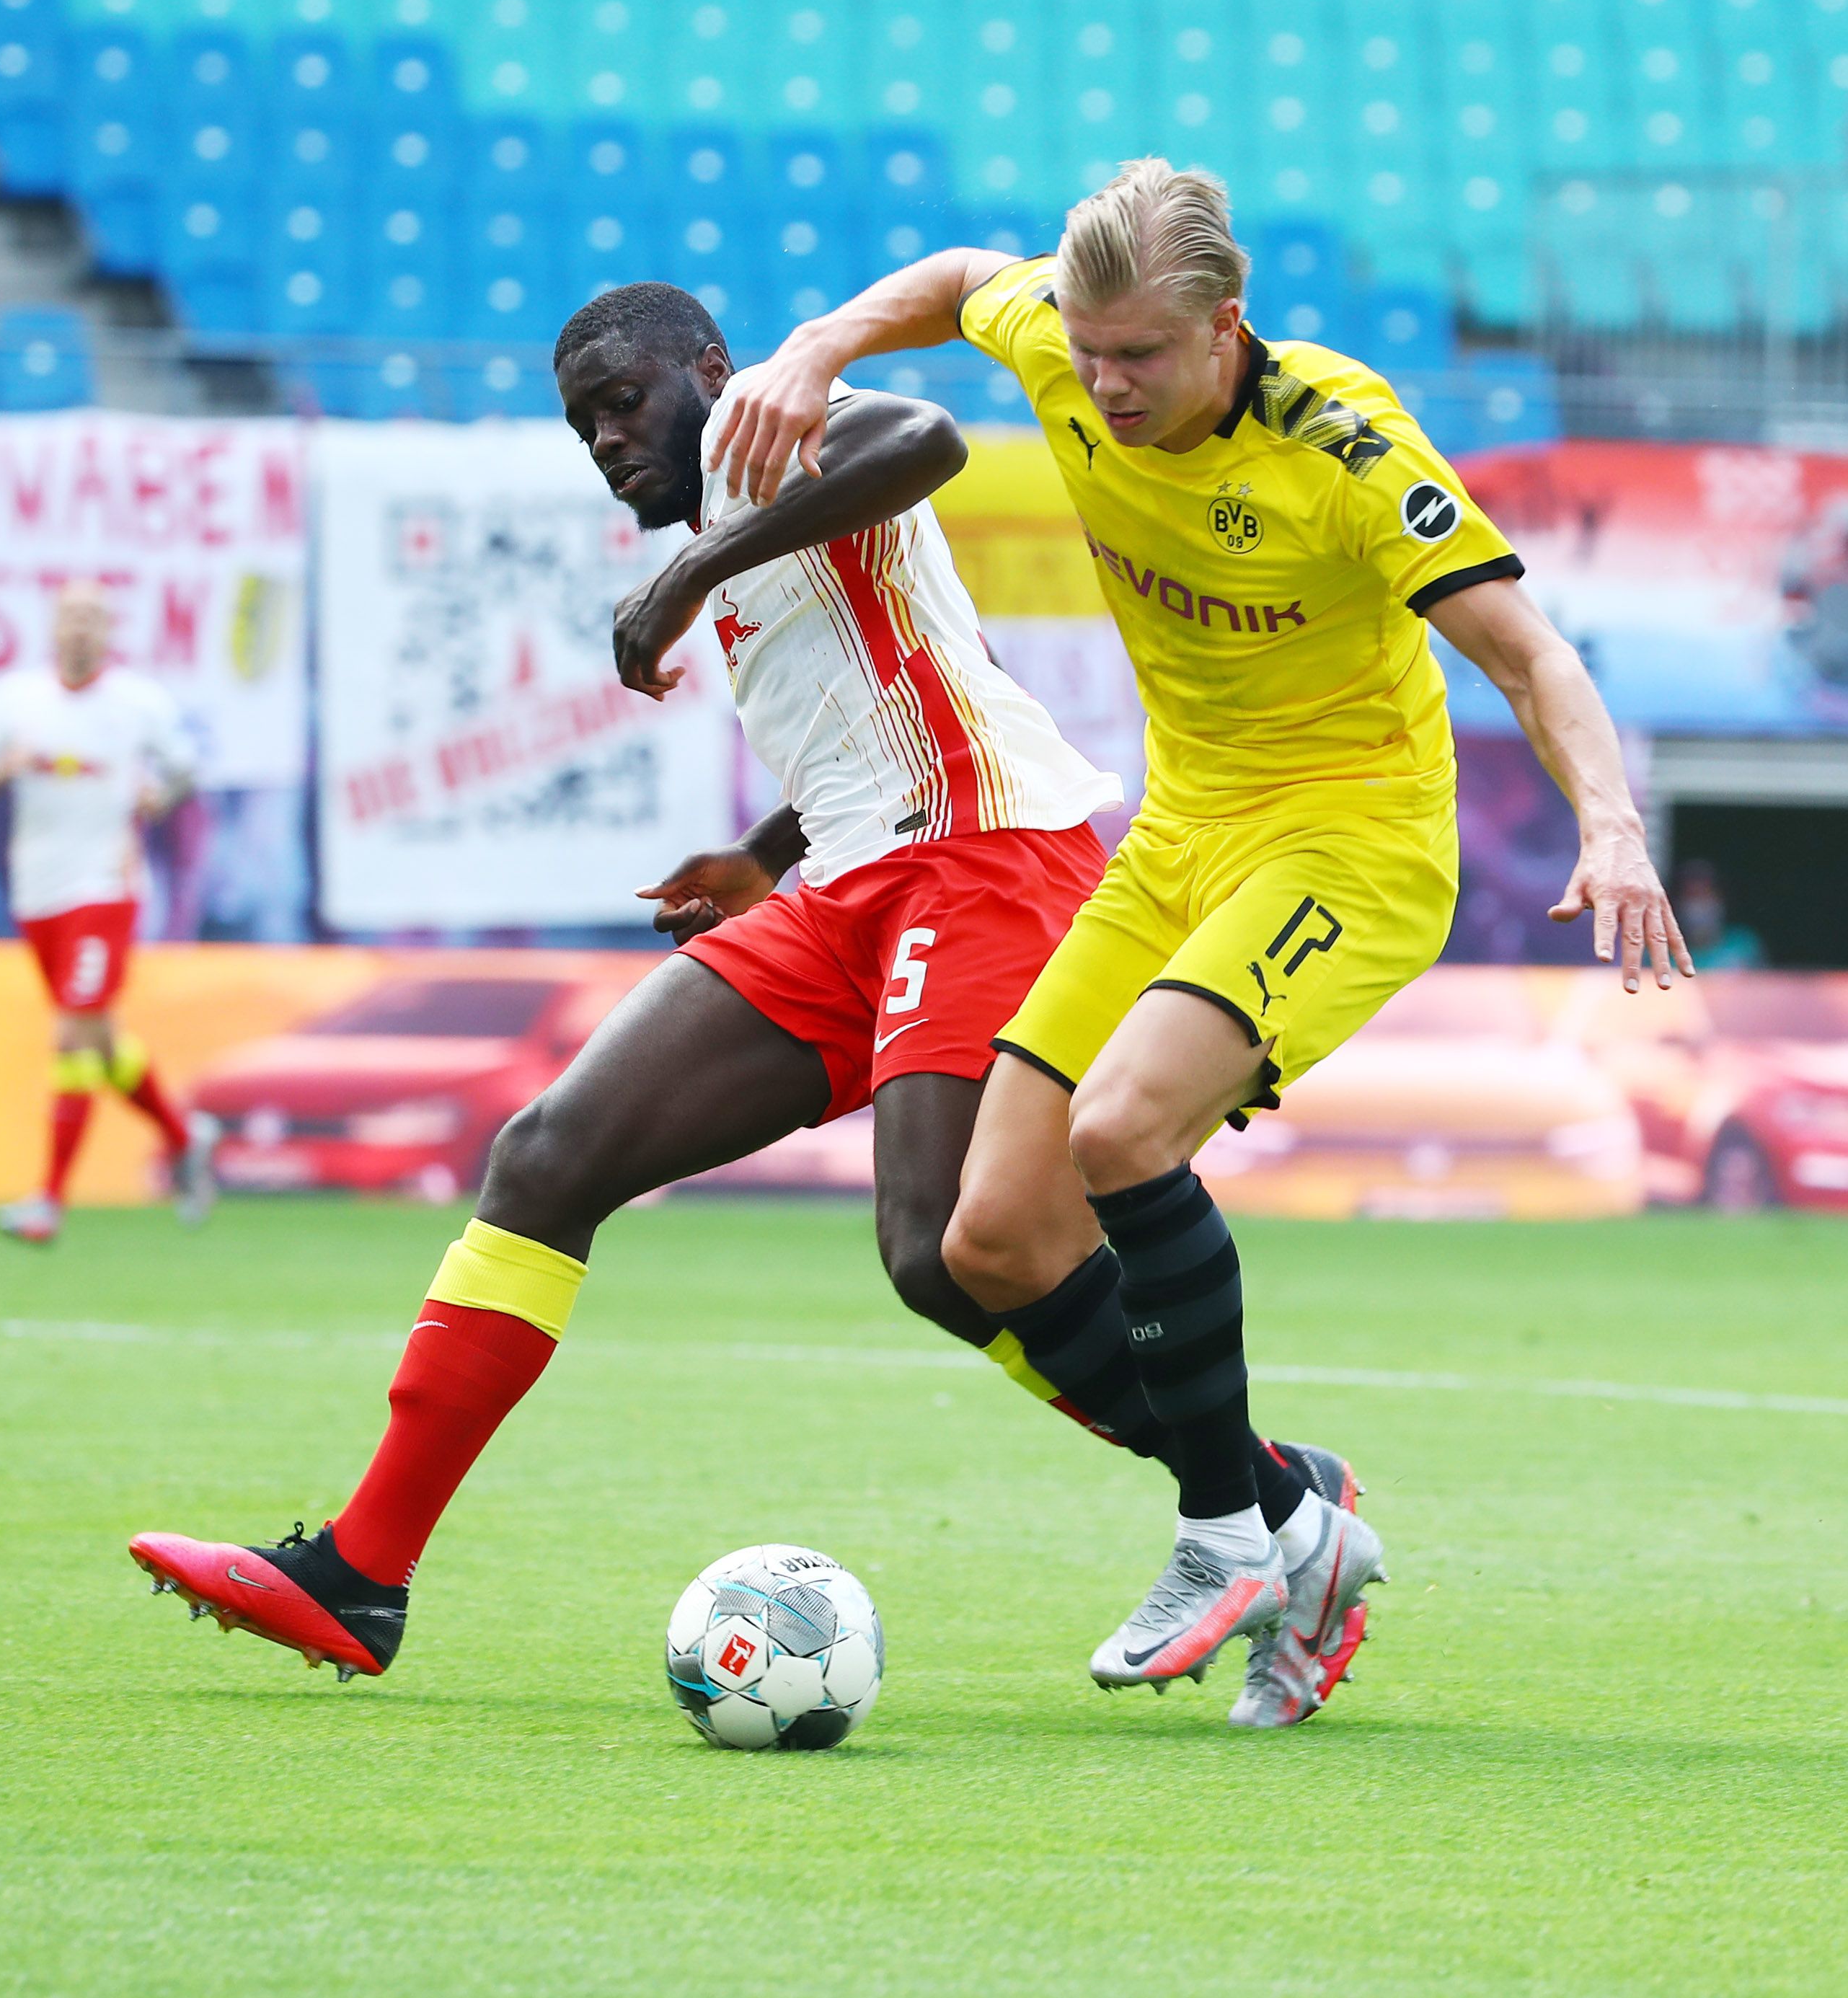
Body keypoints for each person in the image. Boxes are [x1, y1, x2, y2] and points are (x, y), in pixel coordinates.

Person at [128, 283, 1369, 1717]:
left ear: (707, 371)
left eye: (624, 401)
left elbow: (927, 438)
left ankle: (1272, 1512)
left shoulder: (778, 424)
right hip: (847, 881)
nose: (605, 439)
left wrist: (685, 571)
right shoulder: (748, 520)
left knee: (941, 1249)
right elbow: (911, 684)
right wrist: (762, 854)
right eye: (581, 422)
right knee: (547, 1157)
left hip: (980, 864)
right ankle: (359, 1574)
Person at [708, 159, 1692, 1725]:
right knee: (989, 1240)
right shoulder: (1064, 341)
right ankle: (1304, 1534)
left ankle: (1225, 1533)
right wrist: (815, 349)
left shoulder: (1347, 446)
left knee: (1119, 1130)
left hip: (1348, 843)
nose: (1103, 384)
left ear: (1227, 325)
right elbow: (963, 276)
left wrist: (1614, 827)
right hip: (1181, 837)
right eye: (1088, 353)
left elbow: (1529, 652)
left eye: (1141, 358)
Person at [0, 580, 217, 1243]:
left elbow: (186, 766)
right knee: (97, 1041)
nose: (79, 630)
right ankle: (187, 1139)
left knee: (73, 1033)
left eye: (92, 620)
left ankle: (47, 1201)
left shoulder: (136, 703)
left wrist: (161, 793)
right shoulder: (18, 698)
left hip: (105, 885)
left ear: (108, 632)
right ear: (53, 628)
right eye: (70, 618)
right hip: (35, 892)